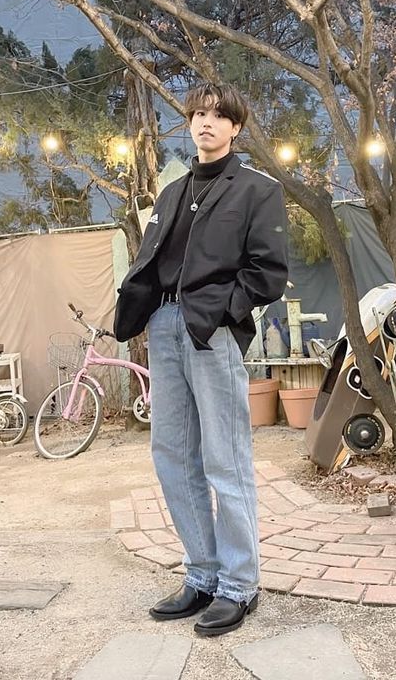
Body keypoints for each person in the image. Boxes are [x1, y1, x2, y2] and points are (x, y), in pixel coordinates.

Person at [114, 81, 289, 637]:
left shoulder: (257, 190)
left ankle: (240, 583)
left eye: (218, 116)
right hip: (164, 327)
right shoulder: (172, 193)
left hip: (209, 331)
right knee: (173, 455)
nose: (206, 123)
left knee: (225, 456)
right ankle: (203, 575)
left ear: (235, 128)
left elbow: (267, 273)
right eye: (198, 114)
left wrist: (220, 311)